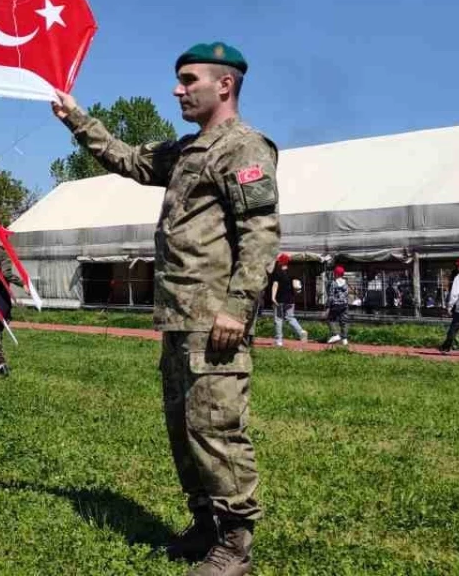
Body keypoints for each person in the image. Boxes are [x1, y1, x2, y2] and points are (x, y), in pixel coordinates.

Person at [53, 41, 278, 574]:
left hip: (214, 318)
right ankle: (204, 527)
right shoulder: (188, 151)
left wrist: (237, 308)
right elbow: (129, 160)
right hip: (180, 316)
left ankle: (235, 544)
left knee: (217, 429)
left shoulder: (243, 148)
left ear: (224, 85)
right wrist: (75, 118)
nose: (177, 89)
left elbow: (261, 233)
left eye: (189, 79)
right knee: (184, 428)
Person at [268, 254, 306, 346]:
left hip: (280, 299)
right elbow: (296, 285)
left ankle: (279, 341)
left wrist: (273, 297)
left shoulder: (277, 272)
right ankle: (301, 331)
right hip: (291, 300)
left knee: (278, 319)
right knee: (290, 317)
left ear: (280, 262)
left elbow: (275, 285)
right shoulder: (292, 272)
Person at [325, 266, 351, 345]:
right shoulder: (346, 282)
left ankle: (335, 334)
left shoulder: (333, 282)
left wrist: (328, 306)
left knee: (330, 319)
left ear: (336, 273)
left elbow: (331, 296)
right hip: (344, 304)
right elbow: (347, 294)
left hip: (335, 304)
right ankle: (344, 338)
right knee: (344, 321)